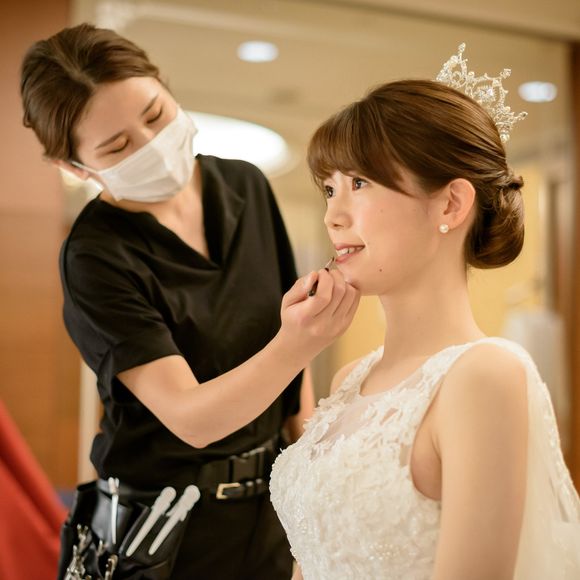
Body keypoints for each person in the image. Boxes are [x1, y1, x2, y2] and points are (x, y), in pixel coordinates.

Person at [20, 23, 359, 579]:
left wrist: (310, 471)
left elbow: (286, 360)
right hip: (163, 530)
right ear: (74, 168)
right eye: (117, 147)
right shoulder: (95, 255)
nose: (151, 144)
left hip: (267, 506)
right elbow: (192, 418)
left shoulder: (246, 185)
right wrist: (302, 342)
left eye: (155, 115)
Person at [270, 45, 580, 580]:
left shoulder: (484, 375)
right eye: (329, 189)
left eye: (359, 183)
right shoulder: (350, 378)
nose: (332, 216)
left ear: (451, 205)